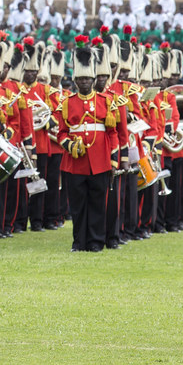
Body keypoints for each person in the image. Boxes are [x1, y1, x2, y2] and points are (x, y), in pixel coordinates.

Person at [56, 38, 126, 252]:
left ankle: (95, 241)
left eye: (87, 78)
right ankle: (79, 242)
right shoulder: (67, 103)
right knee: (77, 206)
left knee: (98, 204)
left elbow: (113, 134)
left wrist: (114, 160)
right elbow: (60, 133)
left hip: (100, 160)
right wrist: (69, 146)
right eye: (81, 79)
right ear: (75, 80)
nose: (84, 82)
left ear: (93, 79)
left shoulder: (105, 101)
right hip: (75, 162)